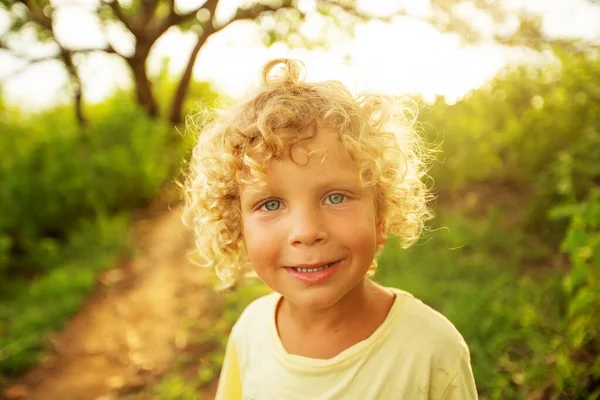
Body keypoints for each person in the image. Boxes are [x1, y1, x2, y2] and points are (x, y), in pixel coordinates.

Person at [182, 58, 478, 399]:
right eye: (271, 204)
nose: (307, 231)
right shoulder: (249, 332)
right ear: (239, 229)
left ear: (380, 217)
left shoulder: (432, 350)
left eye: (335, 197)